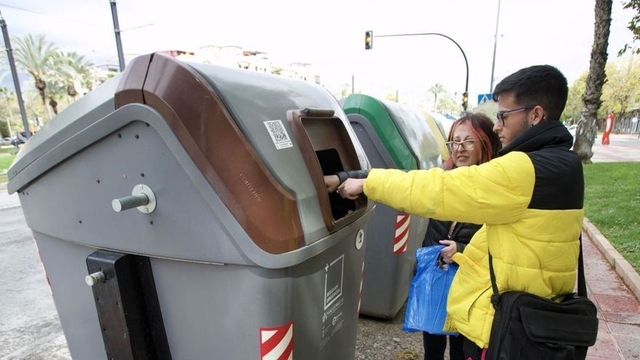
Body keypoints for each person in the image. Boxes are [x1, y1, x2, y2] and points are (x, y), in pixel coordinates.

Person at [337, 65, 583, 359]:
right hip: (534, 316)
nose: (497, 126)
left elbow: (438, 190)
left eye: (504, 116)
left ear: (536, 115)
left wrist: (366, 183)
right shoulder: (564, 163)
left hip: (511, 326)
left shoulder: (525, 169)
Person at [419, 113, 501, 360]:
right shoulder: (444, 180)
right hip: (436, 278)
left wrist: (461, 249)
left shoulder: (494, 188)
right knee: (431, 348)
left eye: (469, 141)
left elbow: (497, 246)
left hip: (468, 289)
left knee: (461, 351)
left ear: (485, 144)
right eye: (455, 141)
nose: (460, 149)